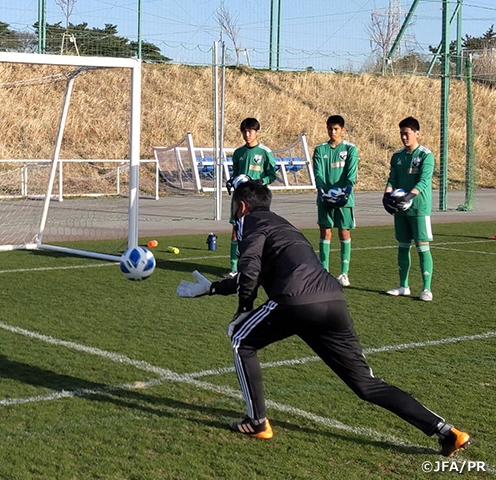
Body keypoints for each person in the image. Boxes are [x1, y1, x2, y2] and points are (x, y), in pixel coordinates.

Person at [176, 180, 471, 457]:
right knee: (366, 384)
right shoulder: (282, 225)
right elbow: (254, 272)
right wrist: (214, 287)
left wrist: (244, 309)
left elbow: (250, 266)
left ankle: (257, 422)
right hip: (332, 301)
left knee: (241, 340)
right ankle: (447, 432)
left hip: (295, 302)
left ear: (241, 207)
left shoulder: (250, 221)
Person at [382, 117, 435, 302]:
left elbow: (424, 180)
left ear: (417, 133)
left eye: (407, 133)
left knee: (422, 248)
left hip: (419, 208)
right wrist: (387, 196)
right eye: (402, 133)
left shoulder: (426, 155)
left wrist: (408, 197)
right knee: (403, 246)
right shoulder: (397, 156)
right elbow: (392, 179)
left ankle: (426, 288)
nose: (404, 137)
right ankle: (403, 285)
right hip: (401, 209)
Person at [226, 117, 277, 277]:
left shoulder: (265, 152)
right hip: (240, 197)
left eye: (250, 131)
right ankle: (235, 268)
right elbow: (235, 173)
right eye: (244, 131)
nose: (247, 134)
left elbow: (272, 175)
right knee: (236, 231)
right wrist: (231, 181)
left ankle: (258, 265)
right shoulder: (238, 153)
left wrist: (262, 181)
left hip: (257, 197)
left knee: (257, 232)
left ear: (257, 132)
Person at [312, 115, 358, 287]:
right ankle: (324, 272)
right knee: (325, 232)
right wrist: (323, 190)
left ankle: (344, 273)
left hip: (345, 199)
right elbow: (318, 173)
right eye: (330, 128)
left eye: (336, 129)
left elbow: (351, 173)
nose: (333, 132)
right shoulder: (320, 150)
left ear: (342, 130)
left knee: (344, 232)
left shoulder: (350, 149)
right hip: (324, 198)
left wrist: (345, 192)